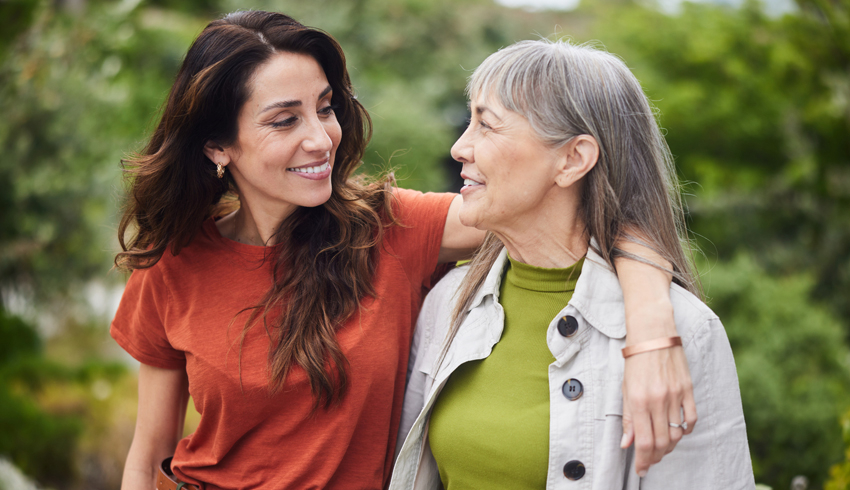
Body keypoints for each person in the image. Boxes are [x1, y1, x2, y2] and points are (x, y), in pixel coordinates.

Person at [111, 11, 693, 490]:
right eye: (284, 120)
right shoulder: (171, 265)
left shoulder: (390, 228)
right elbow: (149, 455)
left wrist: (652, 335)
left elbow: (585, 206)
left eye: (325, 107)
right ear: (218, 146)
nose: (320, 137)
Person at [390, 39, 755, 489]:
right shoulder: (448, 304)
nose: (460, 148)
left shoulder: (684, 331)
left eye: (487, 125)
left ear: (572, 159)